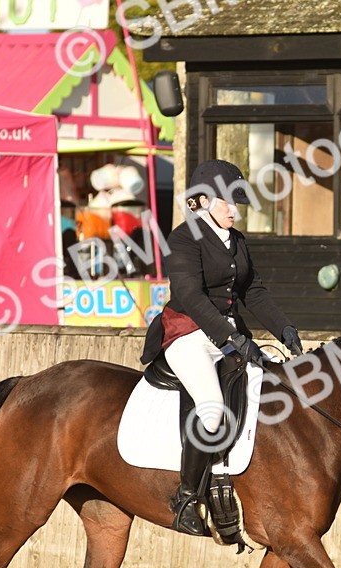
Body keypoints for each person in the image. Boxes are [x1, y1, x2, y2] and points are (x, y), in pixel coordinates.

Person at [140, 159, 304, 538]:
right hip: (188, 335)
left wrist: (285, 329)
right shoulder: (183, 239)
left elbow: (254, 291)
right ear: (201, 201)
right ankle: (184, 499)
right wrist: (232, 340)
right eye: (226, 202)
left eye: (235, 203)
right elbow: (191, 297)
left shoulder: (238, 241)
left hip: (230, 336)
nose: (234, 210)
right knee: (212, 410)